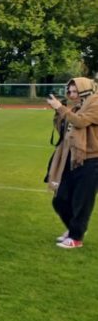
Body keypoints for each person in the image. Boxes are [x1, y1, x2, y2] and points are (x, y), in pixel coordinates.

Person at [46, 79, 98, 249]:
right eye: (69, 92)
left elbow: (80, 122)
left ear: (85, 90)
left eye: (74, 91)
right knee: (59, 199)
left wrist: (61, 108)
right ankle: (75, 229)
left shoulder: (95, 103)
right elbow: (65, 129)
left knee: (82, 201)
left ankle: (76, 237)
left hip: (91, 159)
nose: (71, 95)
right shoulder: (77, 106)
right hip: (72, 157)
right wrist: (59, 112)